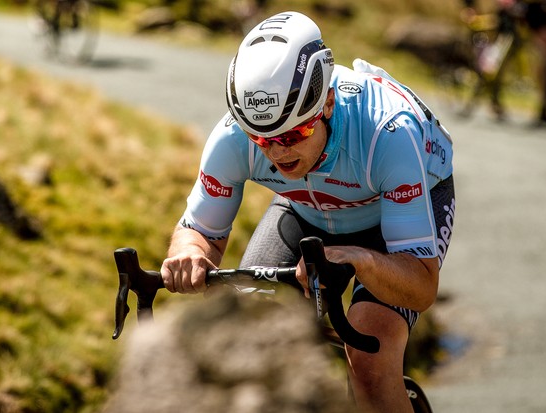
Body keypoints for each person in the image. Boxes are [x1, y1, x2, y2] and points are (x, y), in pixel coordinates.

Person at [161, 11, 455, 412]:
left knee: (369, 361)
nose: (278, 151)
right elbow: (198, 231)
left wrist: (360, 259)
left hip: (401, 214)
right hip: (306, 208)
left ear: (327, 103)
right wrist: (188, 255)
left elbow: (421, 289)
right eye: (262, 141)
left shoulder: (388, 135)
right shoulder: (234, 136)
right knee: (248, 342)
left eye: (294, 134)